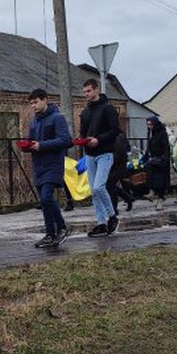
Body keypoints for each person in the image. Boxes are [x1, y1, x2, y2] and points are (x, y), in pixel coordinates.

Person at [25, 88, 72, 248]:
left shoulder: (57, 118)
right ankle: (50, 234)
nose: (33, 106)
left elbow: (65, 140)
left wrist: (41, 145)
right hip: (38, 166)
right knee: (44, 202)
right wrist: (27, 145)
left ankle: (62, 227)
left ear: (45, 100)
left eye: (36, 102)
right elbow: (32, 141)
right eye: (31, 103)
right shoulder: (34, 121)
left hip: (53, 164)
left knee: (46, 197)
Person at [79, 79, 119, 237]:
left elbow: (115, 130)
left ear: (96, 90)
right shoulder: (86, 111)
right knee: (94, 192)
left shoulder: (108, 108)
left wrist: (99, 140)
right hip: (90, 154)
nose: (86, 94)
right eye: (84, 92)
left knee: (98, 187)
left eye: (88, 91)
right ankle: (101, 223)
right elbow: (83, 131)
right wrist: (82, 140)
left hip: (105, 153)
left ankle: (112, 216)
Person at [145, 116, 170, 210]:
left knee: (160, 182)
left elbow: (166, 147)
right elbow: (149, 147)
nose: (149, 127)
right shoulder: (150, 133)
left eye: (151, 124)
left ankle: (160, 200)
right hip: (153, 160)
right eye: (148, 125)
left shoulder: (162, 133)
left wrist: (165, 159)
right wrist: (145, 157)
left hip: (161, 160)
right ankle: (153, 195)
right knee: (152, 179)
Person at [107, 128, 133, 212]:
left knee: (110, 186)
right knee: (111, 185)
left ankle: (114, 208)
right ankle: (127, 198)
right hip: (116, 164)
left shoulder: (116, 136)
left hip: (116, 164)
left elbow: (119, 152)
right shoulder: (117, 135)